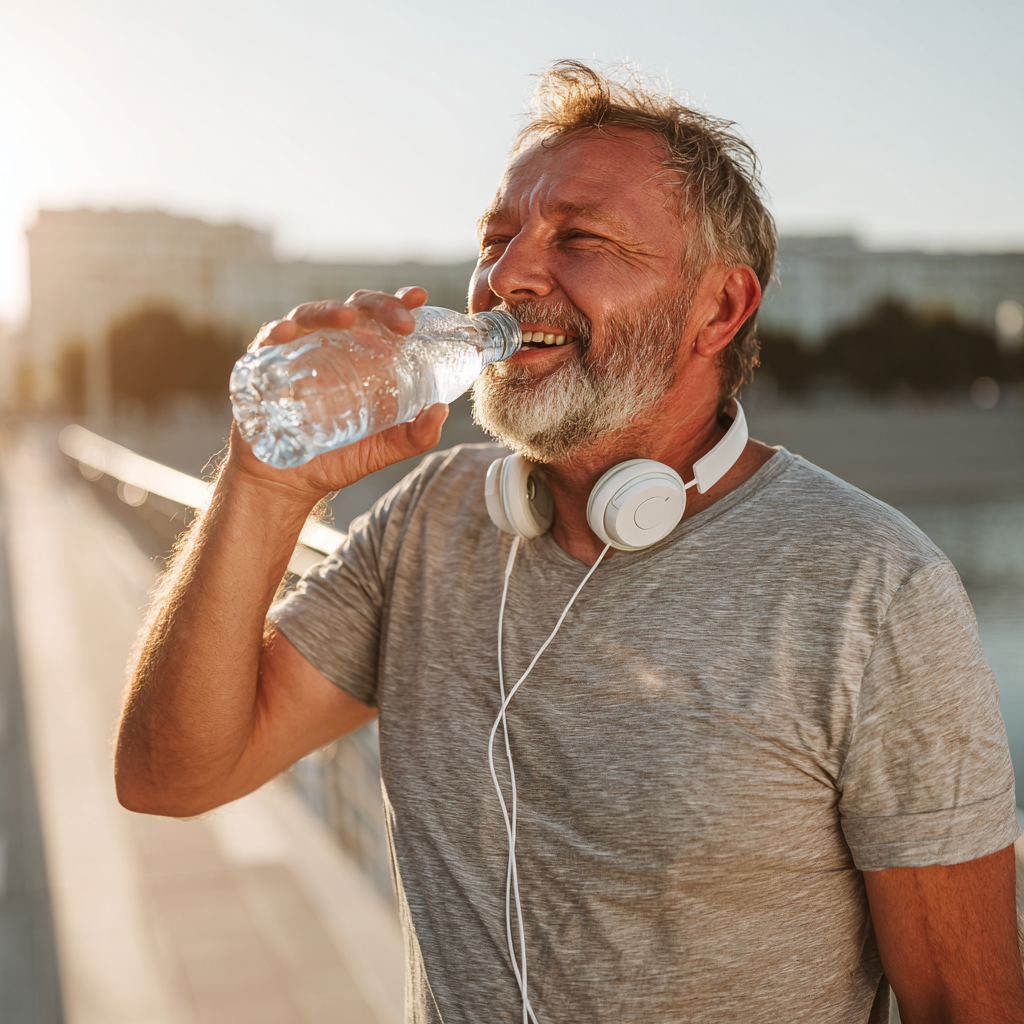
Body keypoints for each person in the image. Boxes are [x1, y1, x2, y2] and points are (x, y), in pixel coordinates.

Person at [115, 62, 1024, 1024]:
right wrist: (264, 485)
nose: (505, 276)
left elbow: (964, 1004)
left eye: (579, 238)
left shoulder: (873, 588)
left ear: (719, 309)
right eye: (497, 238)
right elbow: (172, 775)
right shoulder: (429, 520)